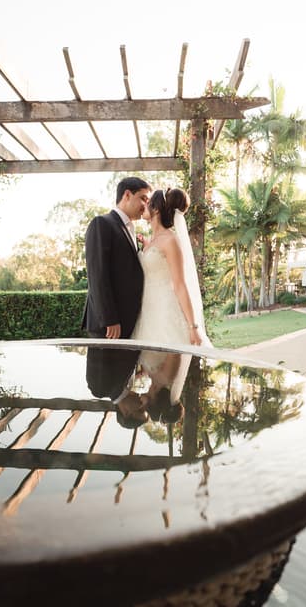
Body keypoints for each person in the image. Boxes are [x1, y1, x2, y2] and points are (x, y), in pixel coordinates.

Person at [131, 188, 211, 347]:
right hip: (147, 311)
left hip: (165, 312)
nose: (144, 204)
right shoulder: (153, 240)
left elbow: (180, 284)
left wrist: (193, 327)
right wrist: (147, 247)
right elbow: (157, 264)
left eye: (148, 201)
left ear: (157, 208)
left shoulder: (170, 240)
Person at [82, 177, 151, 339]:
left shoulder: (130, 229)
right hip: (108, 325)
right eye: (143, 198)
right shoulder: (102, 223)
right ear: (127, 195)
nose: (145, 205)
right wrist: (109, 318)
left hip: (128, 322)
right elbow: (97, 275)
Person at [85, 346, 148, 429]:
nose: (143, 405)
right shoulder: (131, 384)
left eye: (140, 410)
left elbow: (98, 346)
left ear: (126, 412)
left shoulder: (99, 389)